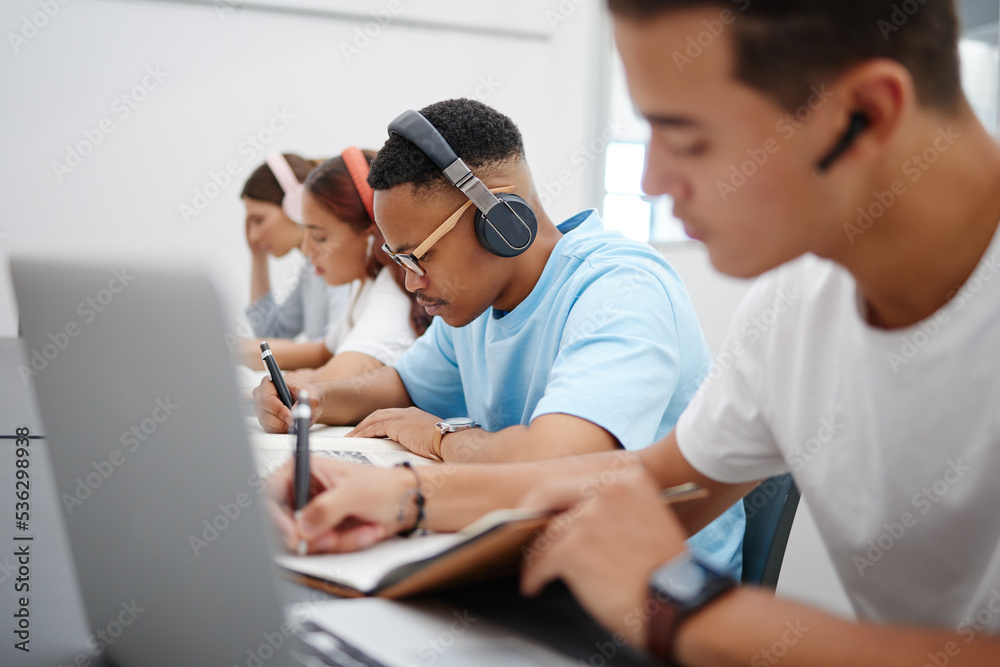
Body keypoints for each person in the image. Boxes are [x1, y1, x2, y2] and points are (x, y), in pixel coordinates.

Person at [266, 1, 1000, 664]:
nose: (649, 181)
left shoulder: (624, 283)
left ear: (863, 115)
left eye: (685, 136)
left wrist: (698, 618)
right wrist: (405, 496)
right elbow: (648, 479)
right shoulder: (794, 305)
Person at [255, 98, 746, 576]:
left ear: (502, 220)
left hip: (649, 596)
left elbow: (555, 464)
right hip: (532, 559)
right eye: (400, 260)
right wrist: (313, 397)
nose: (411, 281)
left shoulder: (620, 289)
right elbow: (400, 384)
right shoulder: (476, 305)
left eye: (418, 256)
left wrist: (439, 436)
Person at [291, 148, 431, 383]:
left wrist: (289, 381)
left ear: (370, 235)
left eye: (320, 237)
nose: (305, 249)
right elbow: (322, 352)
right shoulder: (366, 285)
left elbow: (335, 380)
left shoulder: (393, 295)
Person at [239, 152, 350, 371]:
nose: (252, 235)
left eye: (259, 220)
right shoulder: (311, 269)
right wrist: (257, 256)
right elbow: (271, 335)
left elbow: (337, 350)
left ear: (296, 207)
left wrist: (237, 351)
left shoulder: (339, 263)